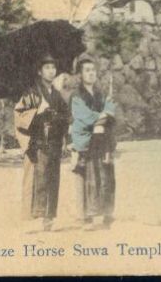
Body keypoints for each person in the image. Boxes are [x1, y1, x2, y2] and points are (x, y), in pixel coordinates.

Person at [14, 53, 71, 232]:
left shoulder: (57, 94)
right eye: (47, 67)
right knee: (36, 179)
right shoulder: (30, 92)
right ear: (39, 71)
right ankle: (32, 218)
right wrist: (38, 112)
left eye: (53, 67)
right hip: (37, 142)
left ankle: (48, 218)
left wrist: (57, 117)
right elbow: (19, 115)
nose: (51, 71)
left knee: (53, 179)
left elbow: (67, 116)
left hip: (53, 141)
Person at [69, 55, 117, 230]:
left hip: (102, 141)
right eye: (87, 70)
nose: (91, 74)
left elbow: (112, 110)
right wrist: (102, 116)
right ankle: (87, 217)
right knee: (89, 178)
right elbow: (84, 117)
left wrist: (104, 117)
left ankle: (106, 214)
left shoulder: (100, 94)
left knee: (105, 177)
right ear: (80, 75)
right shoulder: (76, 96)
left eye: (93, 70)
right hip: (88, 142)